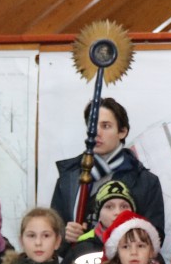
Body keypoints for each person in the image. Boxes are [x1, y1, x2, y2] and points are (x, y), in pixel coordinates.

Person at [50, 97, 164, 246]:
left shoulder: (146, 182)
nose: (96, 133)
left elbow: (155, 237)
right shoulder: (68, 177)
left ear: (122, 132)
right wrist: (65, 236)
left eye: (105, 126)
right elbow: (51, 232)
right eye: (92, 125)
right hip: (78, 259)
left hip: (122, 261)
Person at [61, 179, 135, 264]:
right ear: (99, 215)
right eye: (109, 207)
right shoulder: (82, 249)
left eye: (124, 206)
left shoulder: (144, 248)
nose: (117, 212)